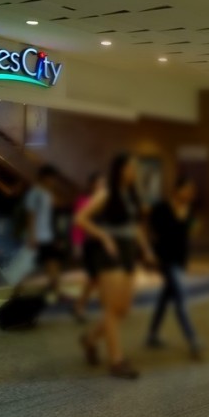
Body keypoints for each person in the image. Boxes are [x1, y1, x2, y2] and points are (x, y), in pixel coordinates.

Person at [76, 154, 156, 380]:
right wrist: (104, 237)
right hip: (109, 254)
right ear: (120, 169)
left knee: (124, 308)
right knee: (112, 309)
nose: (135, 172)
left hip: (129, 252)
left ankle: (90, 340)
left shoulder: (130, 195)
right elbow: (81, 218)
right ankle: (116, 360)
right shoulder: (106, 193)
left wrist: (146, 250)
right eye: (132, 167)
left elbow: (136, 227)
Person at [146, 175, 203, 359]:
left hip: (179, 261)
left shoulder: (189, 211)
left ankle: (152, 335)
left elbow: (188, 235)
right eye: (187, 189)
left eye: (192, 191)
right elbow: (148, 227)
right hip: (165, 260)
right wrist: (149, 252)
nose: (190, 194)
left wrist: (193, 229)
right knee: (180, 299)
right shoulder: (162, 208)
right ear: (177, 190)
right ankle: (192, 339)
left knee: (165, 297)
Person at [24, 165, 64, 296]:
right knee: (32, 266)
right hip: (38, 236)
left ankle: (56, 290)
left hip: (47, 235)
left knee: (52, 263)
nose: (53, 181)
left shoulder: (46, 193)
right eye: (51, 178)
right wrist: (32, 235)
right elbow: (31, 215)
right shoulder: (35, 193)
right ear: (45, 178)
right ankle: (18, 291)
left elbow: (51, 214)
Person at [73, 172, 101, 323]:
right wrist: (77, 244)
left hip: (101, 244)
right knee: (93, 278)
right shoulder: (83, 200)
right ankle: (80, 306)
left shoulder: (104, 200)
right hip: (89, 245)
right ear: (92, 185)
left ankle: (81, 306)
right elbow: (78, 224)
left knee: (98, 278)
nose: (101, 186)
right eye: (99, 183)